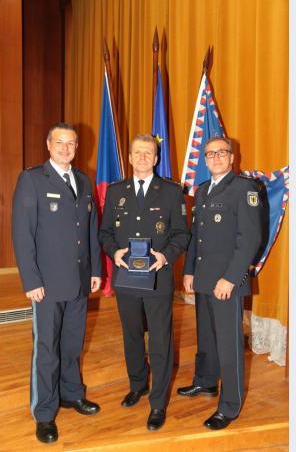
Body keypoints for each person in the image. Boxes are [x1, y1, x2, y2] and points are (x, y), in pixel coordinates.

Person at [11, 123, 103, 444]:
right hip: (47, 284)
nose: (66, 149)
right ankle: (45, 413)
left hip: (78, 280)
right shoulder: (33, 179)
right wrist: (31, 279)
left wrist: (94, 270)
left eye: (72, 144)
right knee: (47, 349)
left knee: (72, 344)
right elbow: (23, 234)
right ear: (48, 144)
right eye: (60, 143)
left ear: (77, 148)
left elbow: (90, 229)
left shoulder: (83, 180)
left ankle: (71, 393)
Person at [98, 134, 190, 431]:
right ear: (129, 157)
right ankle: (137, 384)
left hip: (158, 279)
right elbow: (105, 233)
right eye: (137, 152)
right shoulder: (116, 192)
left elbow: (181, 234)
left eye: (148, 153)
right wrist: (115, 252)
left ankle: (158, 402)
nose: (142, 157)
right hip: (126, 278)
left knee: (161, 340)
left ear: (156, 158)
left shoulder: (172, 192)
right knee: (132, 335)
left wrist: (165, 256)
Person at [178, 136, 264, 430]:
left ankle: (229, 405)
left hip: (227, 281)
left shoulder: (244, 189)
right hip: (203, 279)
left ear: (231, 157)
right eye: (210, 154)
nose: (215, 157)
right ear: (204, 159)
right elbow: (195, 236)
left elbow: (250, 239)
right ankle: (205, 382)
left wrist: (231, 278)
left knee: (229, 346)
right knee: (207, 338)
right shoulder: (202, 191)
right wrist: (189, 271)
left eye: (221, 153)